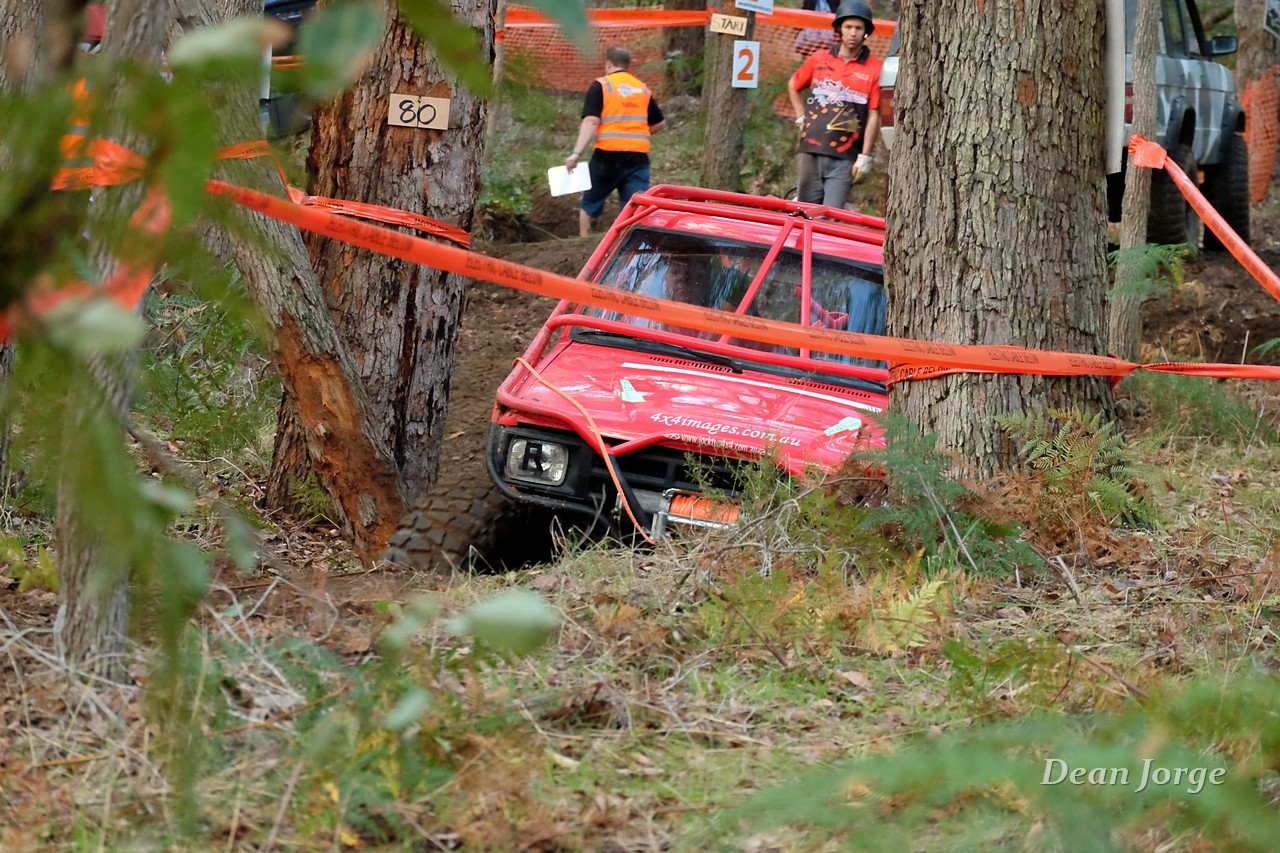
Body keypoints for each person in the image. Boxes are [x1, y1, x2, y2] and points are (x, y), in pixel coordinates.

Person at [786, 0, 882, 209]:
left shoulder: (875, 68)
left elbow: (875, 114)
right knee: (804, 212)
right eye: (848, 27)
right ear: (839, 28)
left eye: (858, 28)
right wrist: (801, 117)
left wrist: (865, 156)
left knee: (831, 216)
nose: (853, 33)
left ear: (866, 32)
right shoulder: (819, 59)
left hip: (846, 156)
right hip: (810, 150)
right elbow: (793, 84)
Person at [564, 46, 666, 237]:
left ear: (608, 64)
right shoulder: (642, 89)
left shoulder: (601, 85)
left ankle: (583, 240)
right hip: (637, 158)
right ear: (627, 65)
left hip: (607, 156)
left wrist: (576, 153)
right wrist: (636, 134)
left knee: (591, 201)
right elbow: (659, 123)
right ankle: (630, 243)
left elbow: (591, 121)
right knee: (636, 205)